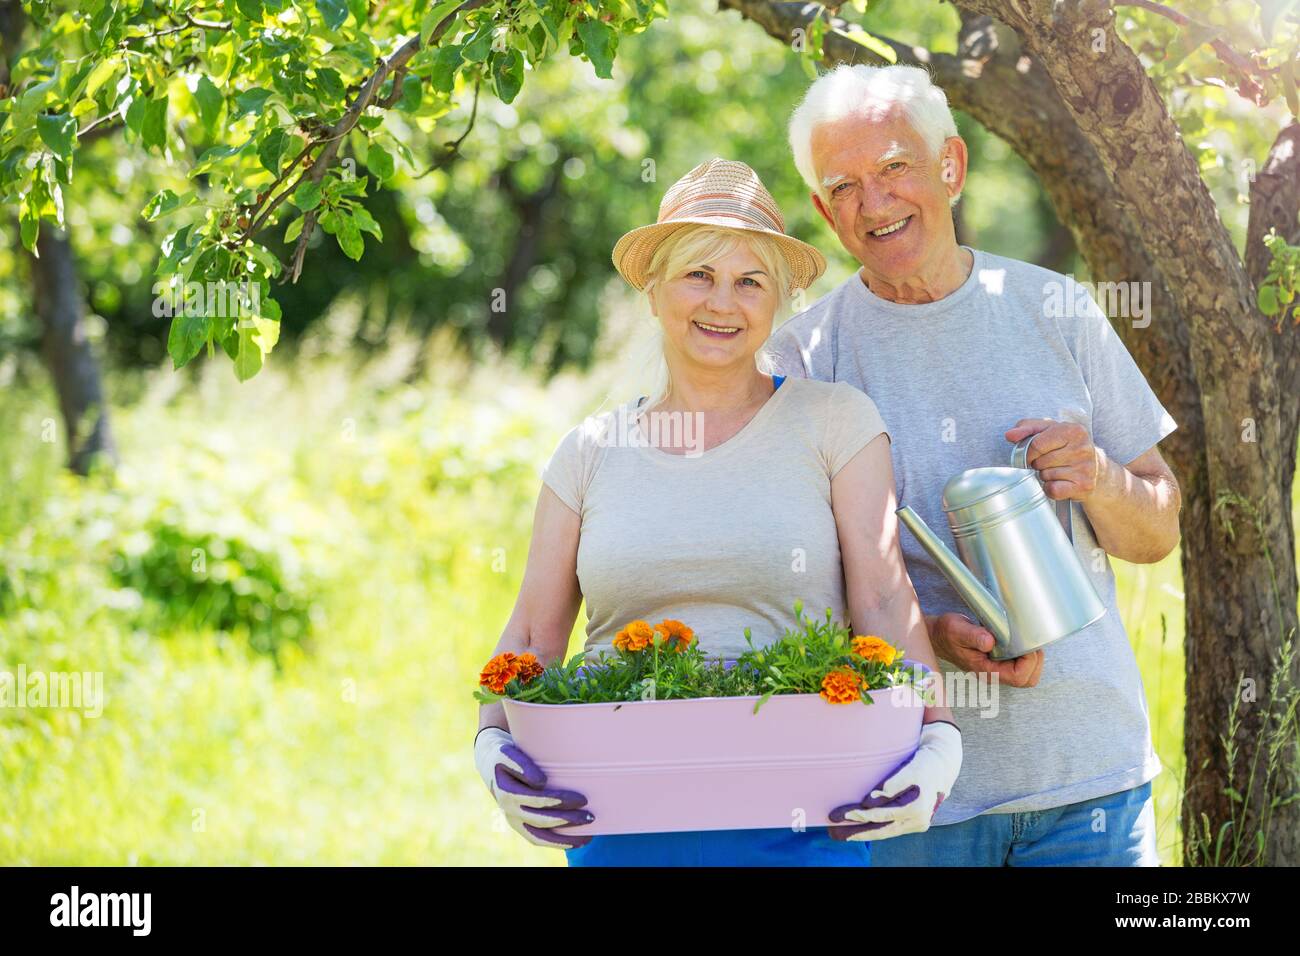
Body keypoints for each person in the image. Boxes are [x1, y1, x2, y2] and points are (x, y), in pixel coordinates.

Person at [474, 158, 961, 866]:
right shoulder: (589, 451)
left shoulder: (835, 423)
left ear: (777, 302)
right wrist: (492, 744)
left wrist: (937, 737)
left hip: (806, 818)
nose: (722, 303)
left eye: (750, 281)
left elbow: (885, 596)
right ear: (653, 292)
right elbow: (532, 633)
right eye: (698, 275)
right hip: (620, 821)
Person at [763, 65, 1182, 866]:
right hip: (909, 791)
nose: (874, 204)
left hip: (1087, 782)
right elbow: (790, 580)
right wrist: (925, 635)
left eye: (894, 167)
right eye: (843, 186)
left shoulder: (1056, 307)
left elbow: (1157, 527)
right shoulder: (803, 357)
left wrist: (1096, 477)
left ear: (950, 167)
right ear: (822, 210)